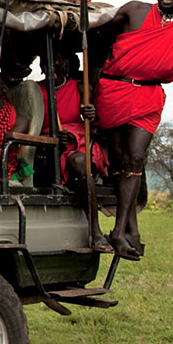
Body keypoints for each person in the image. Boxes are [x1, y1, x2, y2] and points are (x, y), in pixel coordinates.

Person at [93, 0, 173, 260]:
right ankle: (132, 231)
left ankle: (118, 231)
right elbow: (98, 34)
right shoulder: (133, 11)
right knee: (118, 161)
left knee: (135, 158)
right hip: (114, 90)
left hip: (150, 96)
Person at [39, 53, 109, 251]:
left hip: (76, 141)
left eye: (56, 60)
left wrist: (91, 114)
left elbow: (96, 123)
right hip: (47, 144)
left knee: (79, 162)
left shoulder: (80, 88)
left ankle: (95, 231)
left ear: (66, 65)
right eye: (46, 61)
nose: (50, 64)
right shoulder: (37, 90)